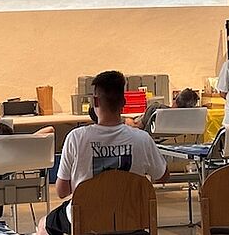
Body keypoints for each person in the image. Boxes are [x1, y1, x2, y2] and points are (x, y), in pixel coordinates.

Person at [37, 70, 169, 235]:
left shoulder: (76, 138)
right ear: (123, 102)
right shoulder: (143, 139)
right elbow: (162, 175)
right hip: (132, 220)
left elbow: (62, 191)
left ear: (95, 101)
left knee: (43, 225)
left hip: (86, 220)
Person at [124, 88, 199, 130]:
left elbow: (136, 126)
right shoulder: (189, 120)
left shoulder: (156, 109)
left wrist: (124, 120)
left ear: (175, 100)